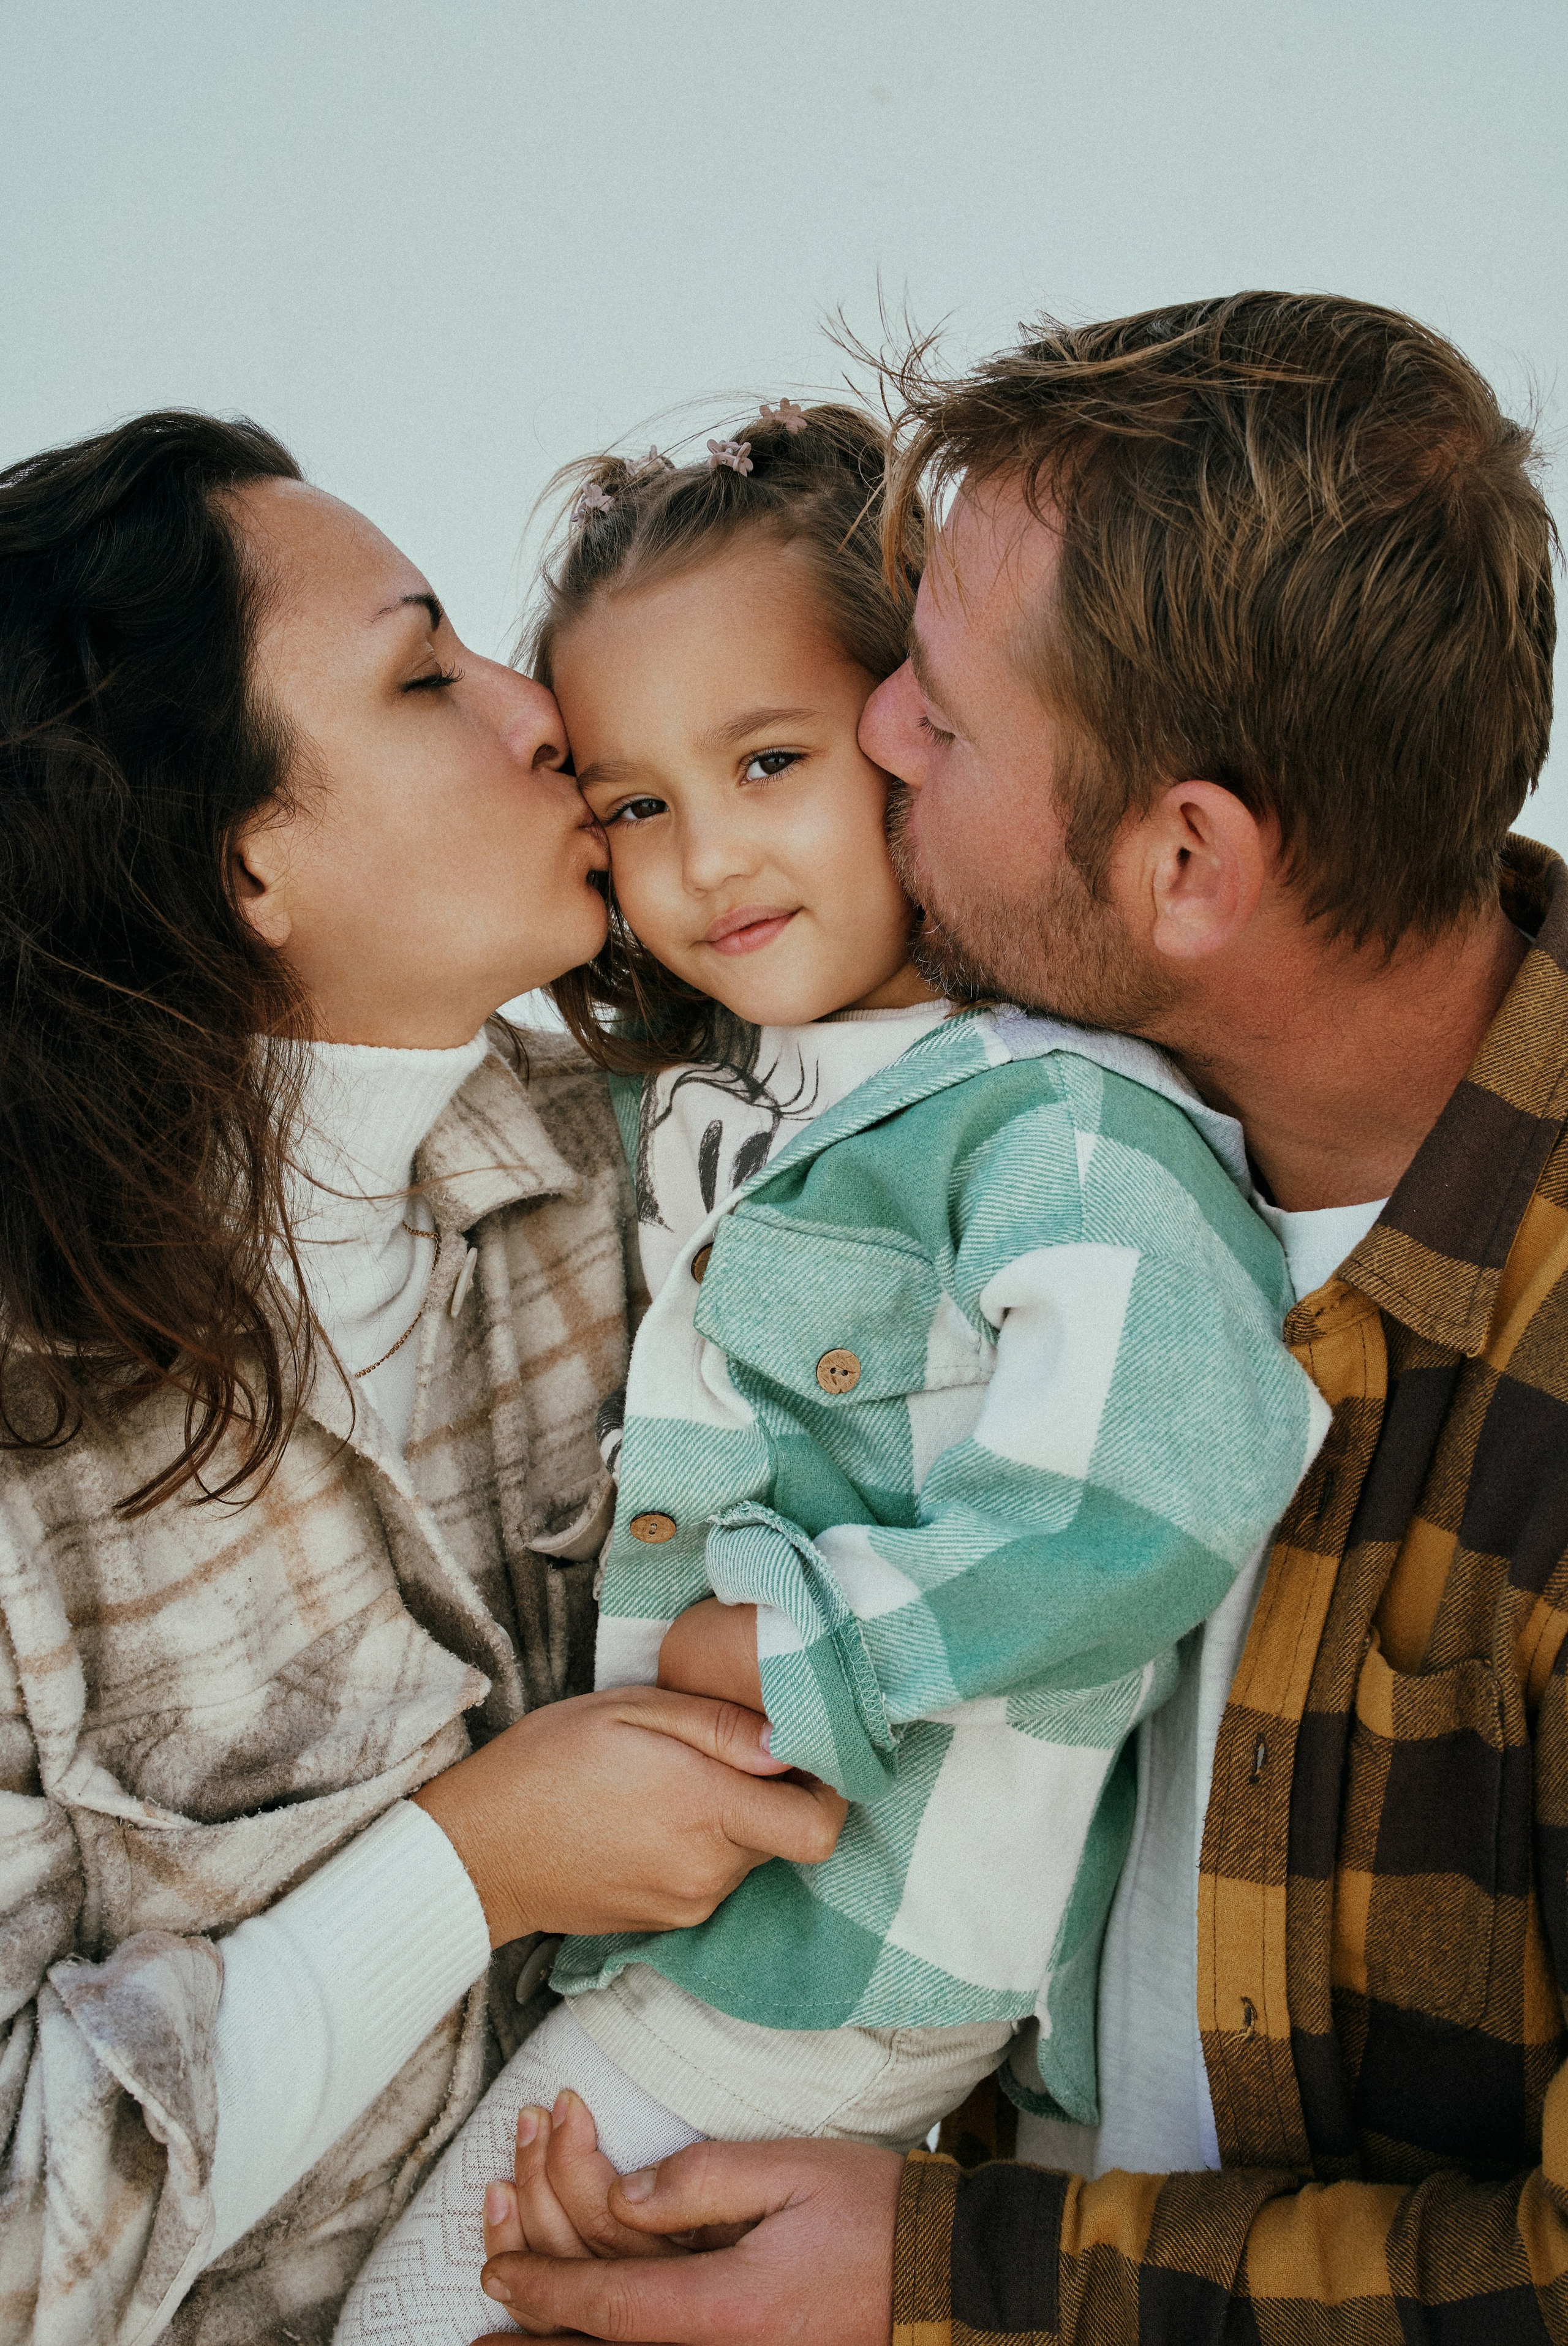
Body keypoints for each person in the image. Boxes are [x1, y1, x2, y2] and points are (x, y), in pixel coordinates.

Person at [472, 290, 1568, 2345]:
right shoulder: (958, 1144)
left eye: (944, 722)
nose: (879, 724)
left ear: (1184, 861)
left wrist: (945, 2287)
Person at [341, 398, 1326, 2346]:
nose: (705, 858)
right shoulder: (705, 1110)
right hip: (697, 1930)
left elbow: (1147, 1493)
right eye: (633, 803)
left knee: (414, 2321)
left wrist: (810, 1651)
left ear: (916, 741)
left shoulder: (1051, 1119)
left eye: (768, 760)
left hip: (843, 1948)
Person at [0, 410, 846, 2345]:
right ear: (241, 872)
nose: (538, 705)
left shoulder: (668, 1172)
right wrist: (470, 1872)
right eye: (421, 673)